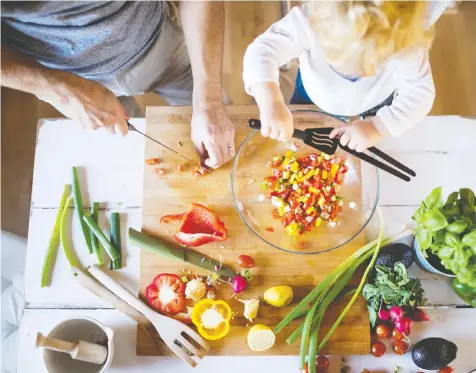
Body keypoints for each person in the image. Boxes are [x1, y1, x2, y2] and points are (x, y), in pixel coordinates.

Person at [1, 1, 235, 169]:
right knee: (126, 149)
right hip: (66, 77)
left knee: (220, 129)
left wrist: (208, 100)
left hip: (160, 42)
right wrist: (57, 87)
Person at [243, 1, 445, 152]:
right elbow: (262, 50)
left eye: (373, 66)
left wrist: (378, 127)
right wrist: (271, 100)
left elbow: (420, 95)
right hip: (312, 94)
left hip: (375, 102)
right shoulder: (313, 18)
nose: (359, 75)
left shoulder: (406, 45)